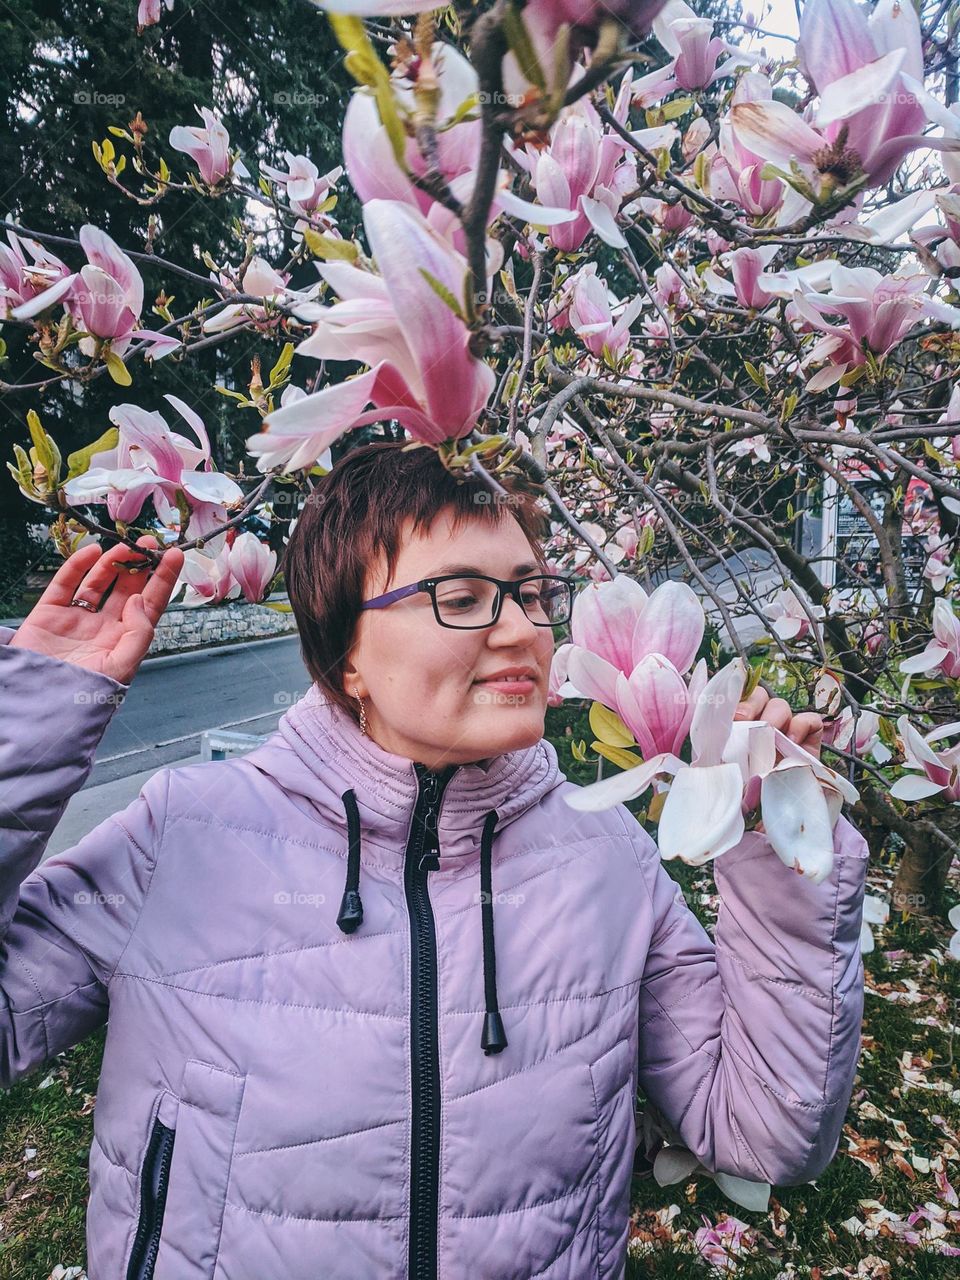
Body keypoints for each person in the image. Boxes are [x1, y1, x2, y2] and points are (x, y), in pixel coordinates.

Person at [0, 442, 867, 1280]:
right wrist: (28, 728)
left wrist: (780, 839)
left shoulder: (605, 857)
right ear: (347, 655)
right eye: (461, 595)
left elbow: (767, 1131)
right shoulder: (183, 834)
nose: (523, 630)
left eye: (532, 593)